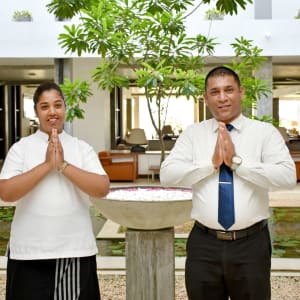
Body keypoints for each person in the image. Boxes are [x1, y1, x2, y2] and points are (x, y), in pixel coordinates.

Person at [160, 66, 297, 300]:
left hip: (251, 245)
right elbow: (168, 175)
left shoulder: (264, 133)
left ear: (241, 92)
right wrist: (211, 164)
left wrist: (236, 163)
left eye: (229, 90)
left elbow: (287, 176)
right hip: (204, 244)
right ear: (205, 98)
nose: (222, 98)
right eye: (214, 92)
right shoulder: (193, 134)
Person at [0, 82, 110, 300]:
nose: (52, 112)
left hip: (74, 250)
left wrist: (63, 166)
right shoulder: (21, 148)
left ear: (65, 108)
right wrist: (47, 165)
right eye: (44, 106)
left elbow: (101, 188)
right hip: (28, 252)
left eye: (57, 105)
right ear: (36, 112)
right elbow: (6, 192)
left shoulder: (81, 147)